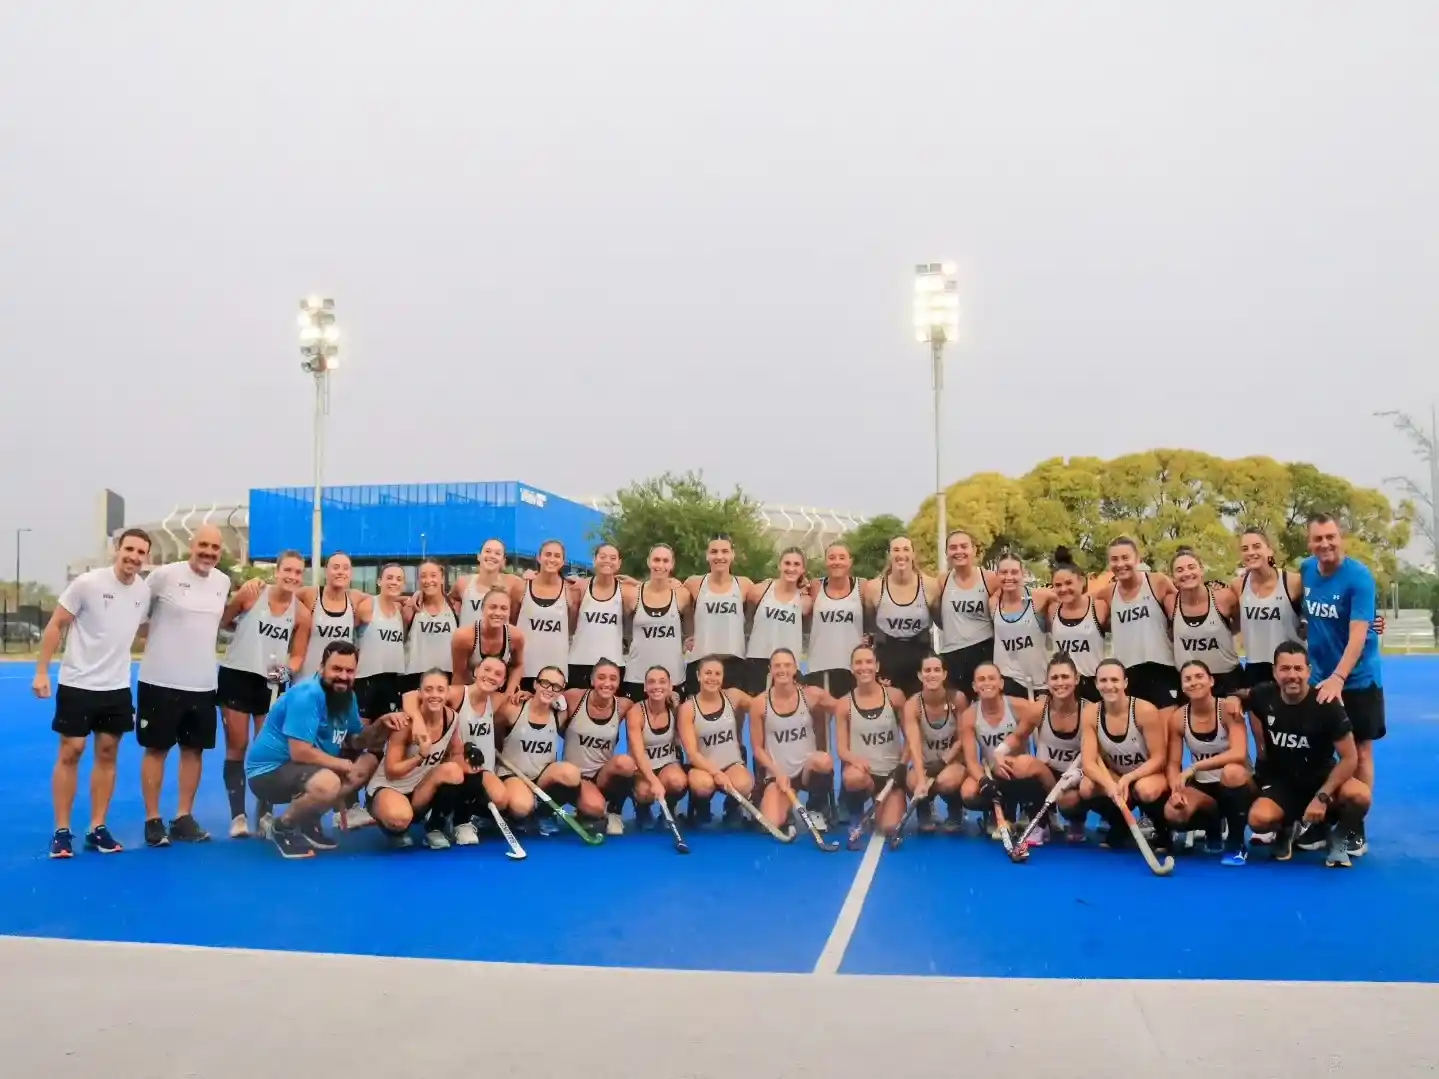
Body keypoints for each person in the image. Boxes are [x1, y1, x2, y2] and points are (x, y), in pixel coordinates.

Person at [35, 528, 154, 858]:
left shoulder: (143, 592)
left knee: (107, 753)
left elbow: (141, 629)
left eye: (140, 552)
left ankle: (97, 827)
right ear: (117, 549)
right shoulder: (88, 583)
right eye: (129, 549)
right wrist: (42, 671)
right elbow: (57, 624)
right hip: (77, 683)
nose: (133, 556)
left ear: (146, 558)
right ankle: (62, 831)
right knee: (71, 751)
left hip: (116, 687)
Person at [135, 524, 240, 847]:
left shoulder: (223, 582)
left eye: (215, 548)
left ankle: (183, 817)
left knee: (193, 751)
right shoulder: (164, 575)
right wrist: (164, 643)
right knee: (157, 749)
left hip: (203, 683)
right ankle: (153, 820)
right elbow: (136, 619)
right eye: (203, 545)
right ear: (191, 545)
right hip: (159, 680)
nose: (209, 552)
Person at [244, 641, 390, 859]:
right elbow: (300, 752)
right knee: (328, 782)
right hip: (267, 772)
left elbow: (356, 740)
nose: (343, 676)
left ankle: (308, 822)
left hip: (306, 768)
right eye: (336, 669)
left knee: (368, 761)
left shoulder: (347, 696)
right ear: (322, 668)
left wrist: (381, 726)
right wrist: (339, 764)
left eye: (349, 671)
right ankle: (282, 827)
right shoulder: (307, 695)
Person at [1299, 513, 1383, 857]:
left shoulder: (1359, 577)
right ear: (1310, 542)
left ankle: (1354, 826)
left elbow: (1358, 635)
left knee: (1359, 750)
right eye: (1318, 539)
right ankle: (1320, 818)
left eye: (1330, 537)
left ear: (1341, 536)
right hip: (1320, 678)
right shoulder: (1305, 570)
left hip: (1357, 679)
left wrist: (1339, 677)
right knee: (1320, 750)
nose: (1325, 544)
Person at [1246, 641, 1371, 868]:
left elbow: (1350, 758)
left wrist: (1322, 796)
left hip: (1321, 778)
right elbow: (1239, 697)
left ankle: (1339, 838)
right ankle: (1286, 828)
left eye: (1298, 669)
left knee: (1360, 795)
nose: (1292, 675)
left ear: (1308, 671)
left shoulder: (1327, 704)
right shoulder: (1263, 695)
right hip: (1284, 782)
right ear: (1274, 672)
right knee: (1258, 819)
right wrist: (1233, 701)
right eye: (1285, 669)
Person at [216, 549, 311, 838]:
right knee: (238, 744)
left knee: (267, 750)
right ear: (277, 571)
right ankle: (238, 816)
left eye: (298, 572)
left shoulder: (302, 614)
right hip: (237, 675)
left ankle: (265, 811)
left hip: (271, 683)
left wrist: (284, 673)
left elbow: (297, 657)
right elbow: (224, 622)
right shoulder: (251, 595)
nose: (292, 577)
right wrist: (237, 599)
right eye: (288, 570)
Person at [401, 655, 512, 846]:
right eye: (486, 669)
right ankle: (438, 817)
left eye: (498, 674)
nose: (491, 676)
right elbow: (410, 695)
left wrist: (522, 695)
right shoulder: (458, 694)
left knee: (501, 799)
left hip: (480, 768)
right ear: (475, 671)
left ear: (502, 681)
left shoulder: (498, 700)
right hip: (452, 762)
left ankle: (463, 817)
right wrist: (417, 721)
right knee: (457, 773)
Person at [1162, 660, 1253, 865]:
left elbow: (1239, 753)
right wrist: (1175, 790)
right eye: (1187, 679)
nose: (1193, 682)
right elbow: (1173, 763)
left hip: (1238, 785)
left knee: (1232, 772)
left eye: (1199, 676)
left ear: (1211, 681)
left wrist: (1194, 767)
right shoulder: (1178, 717)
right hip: (1204, 787)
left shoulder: (1228, 710)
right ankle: (1213, 826)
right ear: (1182, 685)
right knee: (1172, 812)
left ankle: (1237, 842)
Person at [367, 667, 469, 850]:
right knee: (398, 819)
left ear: (447, 693)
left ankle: (434, 827)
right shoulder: (406, 724)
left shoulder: (452, 718)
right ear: (420, 692)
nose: (434, 695)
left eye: (440, 689)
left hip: (420, 789)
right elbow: (391, 771)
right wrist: (420, 756)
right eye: (428, 689)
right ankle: (394, 828)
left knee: (454, 771)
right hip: (391, 786)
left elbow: (456, 753)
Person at [1078, 658, 1173, 854]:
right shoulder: (1090, 713)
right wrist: (1109, 784)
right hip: (1117, 776)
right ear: (1096, 684)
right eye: (1103, 681)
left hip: (1148, 775)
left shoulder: (1144, 711)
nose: (1109, 686)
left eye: (1115, 680)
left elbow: (1159, 758)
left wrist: (1130, 778)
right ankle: (1120, 823)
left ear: (1125, 683)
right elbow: (1088, 763)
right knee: (1087, 787)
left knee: (1145, 790)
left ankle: (1162, 828)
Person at [834, 644, 919, 840]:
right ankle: (855, 812)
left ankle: (884, 806)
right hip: (864, 774)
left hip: (891, 775)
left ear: (877, 666)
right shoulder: (844, 704)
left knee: (889, 827)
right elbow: (841, 749)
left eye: (869, 662)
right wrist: (854, 759)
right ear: (851, 668)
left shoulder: (895, 696)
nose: (864, 667)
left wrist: (902, 765)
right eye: (858, 663)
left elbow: (910, 738)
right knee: (852, 777)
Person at [957, 662, 1049, 835]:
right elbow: (970, 760)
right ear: (974, 687)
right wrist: (984, 780)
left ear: (1001, 683)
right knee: (968, 792)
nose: (987, 683)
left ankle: (1032, 809)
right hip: (991, 771)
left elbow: (1045, 734)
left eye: (992, 678)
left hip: (1019, 770)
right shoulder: (969, 716)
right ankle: (995, 812)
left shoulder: (1020, 707)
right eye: (981, 680)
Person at [750, 648, 836, 831]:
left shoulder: (811, 695)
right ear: (770, 670)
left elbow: (844, 709)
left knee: (824, 760)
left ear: (795, 668)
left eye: (787, 665)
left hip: (806, 769)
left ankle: (816, 808)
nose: (782, 670)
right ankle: (785, 808)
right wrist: (777, 772)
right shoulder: (760, 703)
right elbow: (757, 749)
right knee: (771, 824)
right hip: (778, 773)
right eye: (777, 665)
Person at [494, 665, 581, 834]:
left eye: (556, 686)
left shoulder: (560, 714)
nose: (549, 689)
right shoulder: (514, 709)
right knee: (521, 807)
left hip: (542, 775)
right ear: (535, 684)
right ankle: (509, 812)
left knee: (571, 774)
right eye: (545, 683)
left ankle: (543, 813)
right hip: (513, 773)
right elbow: (493, 732)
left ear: (561, 691)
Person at [677, 655, 758, 828]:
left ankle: (732, 807)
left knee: (744, 784)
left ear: (723, 677)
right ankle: (700, 805)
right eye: (708, 673)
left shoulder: (734, 696)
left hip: (731, 763)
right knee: (703, 785)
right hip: (702, 766)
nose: (712, 678)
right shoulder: (688, 708)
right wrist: (716, 773)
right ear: (698, 676)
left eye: (717, 674)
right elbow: (691, 754)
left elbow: (762, 708)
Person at [559, 659, 637, 836]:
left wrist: (673, 697)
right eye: (601, 677)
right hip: (575, 777)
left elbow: (649, 709)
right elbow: (544, 702)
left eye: (613, 679)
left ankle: (615, 812)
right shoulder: (573, 697)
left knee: (625, 763)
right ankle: (582, 806)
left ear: (618, 683)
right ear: (592, 680)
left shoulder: (624, 705)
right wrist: (525, 696)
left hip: (603, 776)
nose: (607, 683)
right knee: (594, 808)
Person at [1101, 537, 1179, 708]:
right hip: (1128, 673)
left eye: (1125, 557)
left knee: (1166, 732)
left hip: (1162, 668)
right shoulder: (1107, 594)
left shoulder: (1157, 582)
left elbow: (1184, 609)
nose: (1120, 564)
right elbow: (1078, 601)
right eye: (1114, 559)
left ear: (1137, 559)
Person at [861, 536, 938, 697]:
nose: (901, 554)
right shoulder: (874, 588)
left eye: (905, 549)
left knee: (918, 713)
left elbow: (942, 621)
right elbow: (868, 625)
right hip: (887, 658)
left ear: (913, 554)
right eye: (896, 550)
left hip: (919, 657)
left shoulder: (930, 586)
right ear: (889, 555)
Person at [902, 654, 966, 833]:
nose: (932, 675)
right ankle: (925, 806)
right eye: (927, 670)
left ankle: (955, 807)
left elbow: (962, 739)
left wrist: (943, 761)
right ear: (920, 675)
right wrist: (921, 781)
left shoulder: (958, 699)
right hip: (925, 762)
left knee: (947, 780)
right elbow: (913, 744)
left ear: (944, 674)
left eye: (937, 670)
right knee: (913, 780)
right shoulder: (912, 705)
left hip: (950, 762)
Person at [1165, 549, 1243, 697]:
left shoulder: (1224, 598)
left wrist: (1221, 632)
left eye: (1191, 567)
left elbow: (1239, 623)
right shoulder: (1170, 603)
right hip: (1190, 681)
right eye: (1179, 570)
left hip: (1226, 677)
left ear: (1201, 570)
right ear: (1173, 577)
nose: (1187, 573)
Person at [683, 534, 753, 695]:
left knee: (733, 718)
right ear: (707, 555)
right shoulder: (694, 583)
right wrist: (689, 633)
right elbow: (669, 595)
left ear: (732, 555)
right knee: (697, 717)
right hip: (701, 663)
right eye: (714, 552)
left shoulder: (744, 585)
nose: (719, 556)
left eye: (725, 551)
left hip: (734, 665)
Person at [1029, 654, 1088, 843]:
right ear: (1046, 682)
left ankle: (1076, 819)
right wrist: (1002, 751)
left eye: (1065, 677)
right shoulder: (1039, 708)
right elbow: (1016, 738)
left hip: (1077, 775)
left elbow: (1097, 755)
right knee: (1025, 766)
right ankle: (1041, 824)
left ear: (1076, 679)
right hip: (1050, 773)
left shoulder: (1089, 711)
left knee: (1070, 800)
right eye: (1054, 678)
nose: (1060, 683)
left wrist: (1079, 774)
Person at [935, 530, 998, 698]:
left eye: (964, 546)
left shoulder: (989, 578)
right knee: (958, 709)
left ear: (974, 550)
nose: (959, 551)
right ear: (947, 553)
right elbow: (936, 615)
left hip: (983, 651)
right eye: (953, 548)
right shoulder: (942, 581)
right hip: (952, 654)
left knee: (985, 706)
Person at [622, 545, 689, 703]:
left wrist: (690, 639)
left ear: (672, 564)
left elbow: (691, 627)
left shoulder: (682, 595)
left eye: (666, 561)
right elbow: (623, 628)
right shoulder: (632, 595)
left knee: (674, 725)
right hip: (638, 676)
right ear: (648, 562)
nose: (660, 565)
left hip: (673, 677)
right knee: (636, 724)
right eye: (656, 560)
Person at [743, 548, 812, 696]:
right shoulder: (760, 591)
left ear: (802, 569)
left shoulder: (805, 601)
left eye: (796, 564)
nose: (791, 568)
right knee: (756, 712)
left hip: (787, 665)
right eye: (787, 563)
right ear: (779, 565)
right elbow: (747, 616)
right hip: (758, 661)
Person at [627, 665, 689, 825]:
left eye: (662, 682)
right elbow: (638, 754)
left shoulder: (676, 709)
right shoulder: (636, 712)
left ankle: (669, 807)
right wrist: (653, 781)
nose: (657, 686)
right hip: (643, 768)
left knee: (678, 781)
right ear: (645, 687)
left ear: (670, 686)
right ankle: (642, 808)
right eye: (652, 682)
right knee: (645, 792)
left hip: (667, 763)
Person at [803, 542, 865, 701]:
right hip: (819, 667)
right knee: (819, 723)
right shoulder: (815, 587)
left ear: (850, 561)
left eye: (842, 557)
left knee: (851, 723)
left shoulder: (863, 587)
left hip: (853, 669)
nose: (836, 561)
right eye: (831, 557)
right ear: (825, 561)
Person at [988, 553, 1053, 700]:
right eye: (1004, 572)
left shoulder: (1039, 598)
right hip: (1008, 681)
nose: (1009, 577)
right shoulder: (993, 604)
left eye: (1014, 572)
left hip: (1039, 683)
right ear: (997, 575)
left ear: (1023, 574)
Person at [353, 564, 413, 723]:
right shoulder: (368, 606)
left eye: (399, 579)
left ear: (403, 585)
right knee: (362, 732)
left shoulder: (400, 610)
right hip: (367, 679)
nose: (394, 582)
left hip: (393, 679)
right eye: (389, 578)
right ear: (379, 581)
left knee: (387, 731)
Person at [1046, 548, 1107, 703]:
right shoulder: (1052, 609)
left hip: (1094, 684)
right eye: (1058, 585)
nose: (1063, 589)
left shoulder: (1099, 607)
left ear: (1081, 581)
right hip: (1064, 685)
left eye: (1068, 583)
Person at [298, 553, 368, 679]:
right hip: (308, 677)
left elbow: (384, 599)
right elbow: (280, 595)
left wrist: (413, 597)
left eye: (345, 568)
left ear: (351, 573)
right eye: (335, 567)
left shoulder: (354, 598)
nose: (340, 572)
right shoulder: (311, 594)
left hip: (339, 680)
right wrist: (257, 584)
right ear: (326, 571)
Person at [566, 544, 627, 690]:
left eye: (613, 558)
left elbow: (650, 589)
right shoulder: (580, 587)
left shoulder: (626, 591)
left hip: (613, 665)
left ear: (619, 563)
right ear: (594, 560)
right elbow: (571, 625)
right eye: (603, 557)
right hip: (580, 662)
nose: (607, 561)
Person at [515, 540, 572, 693]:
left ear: (563, 561)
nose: (552, 559)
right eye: (547, 554)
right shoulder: (521, 586)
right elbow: (512, 622)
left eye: (557, 556)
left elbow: (573, 626)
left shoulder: (571, 590)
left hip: (556, 670)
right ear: (538, 558)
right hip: (524, 667)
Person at [450, 587, 526, 695]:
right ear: (482, 609)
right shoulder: (464, 637)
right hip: (471, 690)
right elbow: (459, 674)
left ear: (509, 612)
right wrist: (460, 701)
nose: (498, 613)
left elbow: (518, 665)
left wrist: (509, 692)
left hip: (500, 690)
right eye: (493, 607)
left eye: (503, 608)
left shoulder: (516, 636)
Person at [404, 560, 458, 694]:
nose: (428, 580)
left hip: (447, 675)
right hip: (416, 676)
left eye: (433, 575)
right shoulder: (411, 608)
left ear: (442, 578)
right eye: (423, 576)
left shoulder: (455, 607)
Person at [451, 538, 523, 624]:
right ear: (479, 556)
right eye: (487, 551)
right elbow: (447, 602)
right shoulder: (463, 583)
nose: (492, 556)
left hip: (498, 636)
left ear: (503, 561)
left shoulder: (513, 583)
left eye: (497, 553)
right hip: (466, 636)